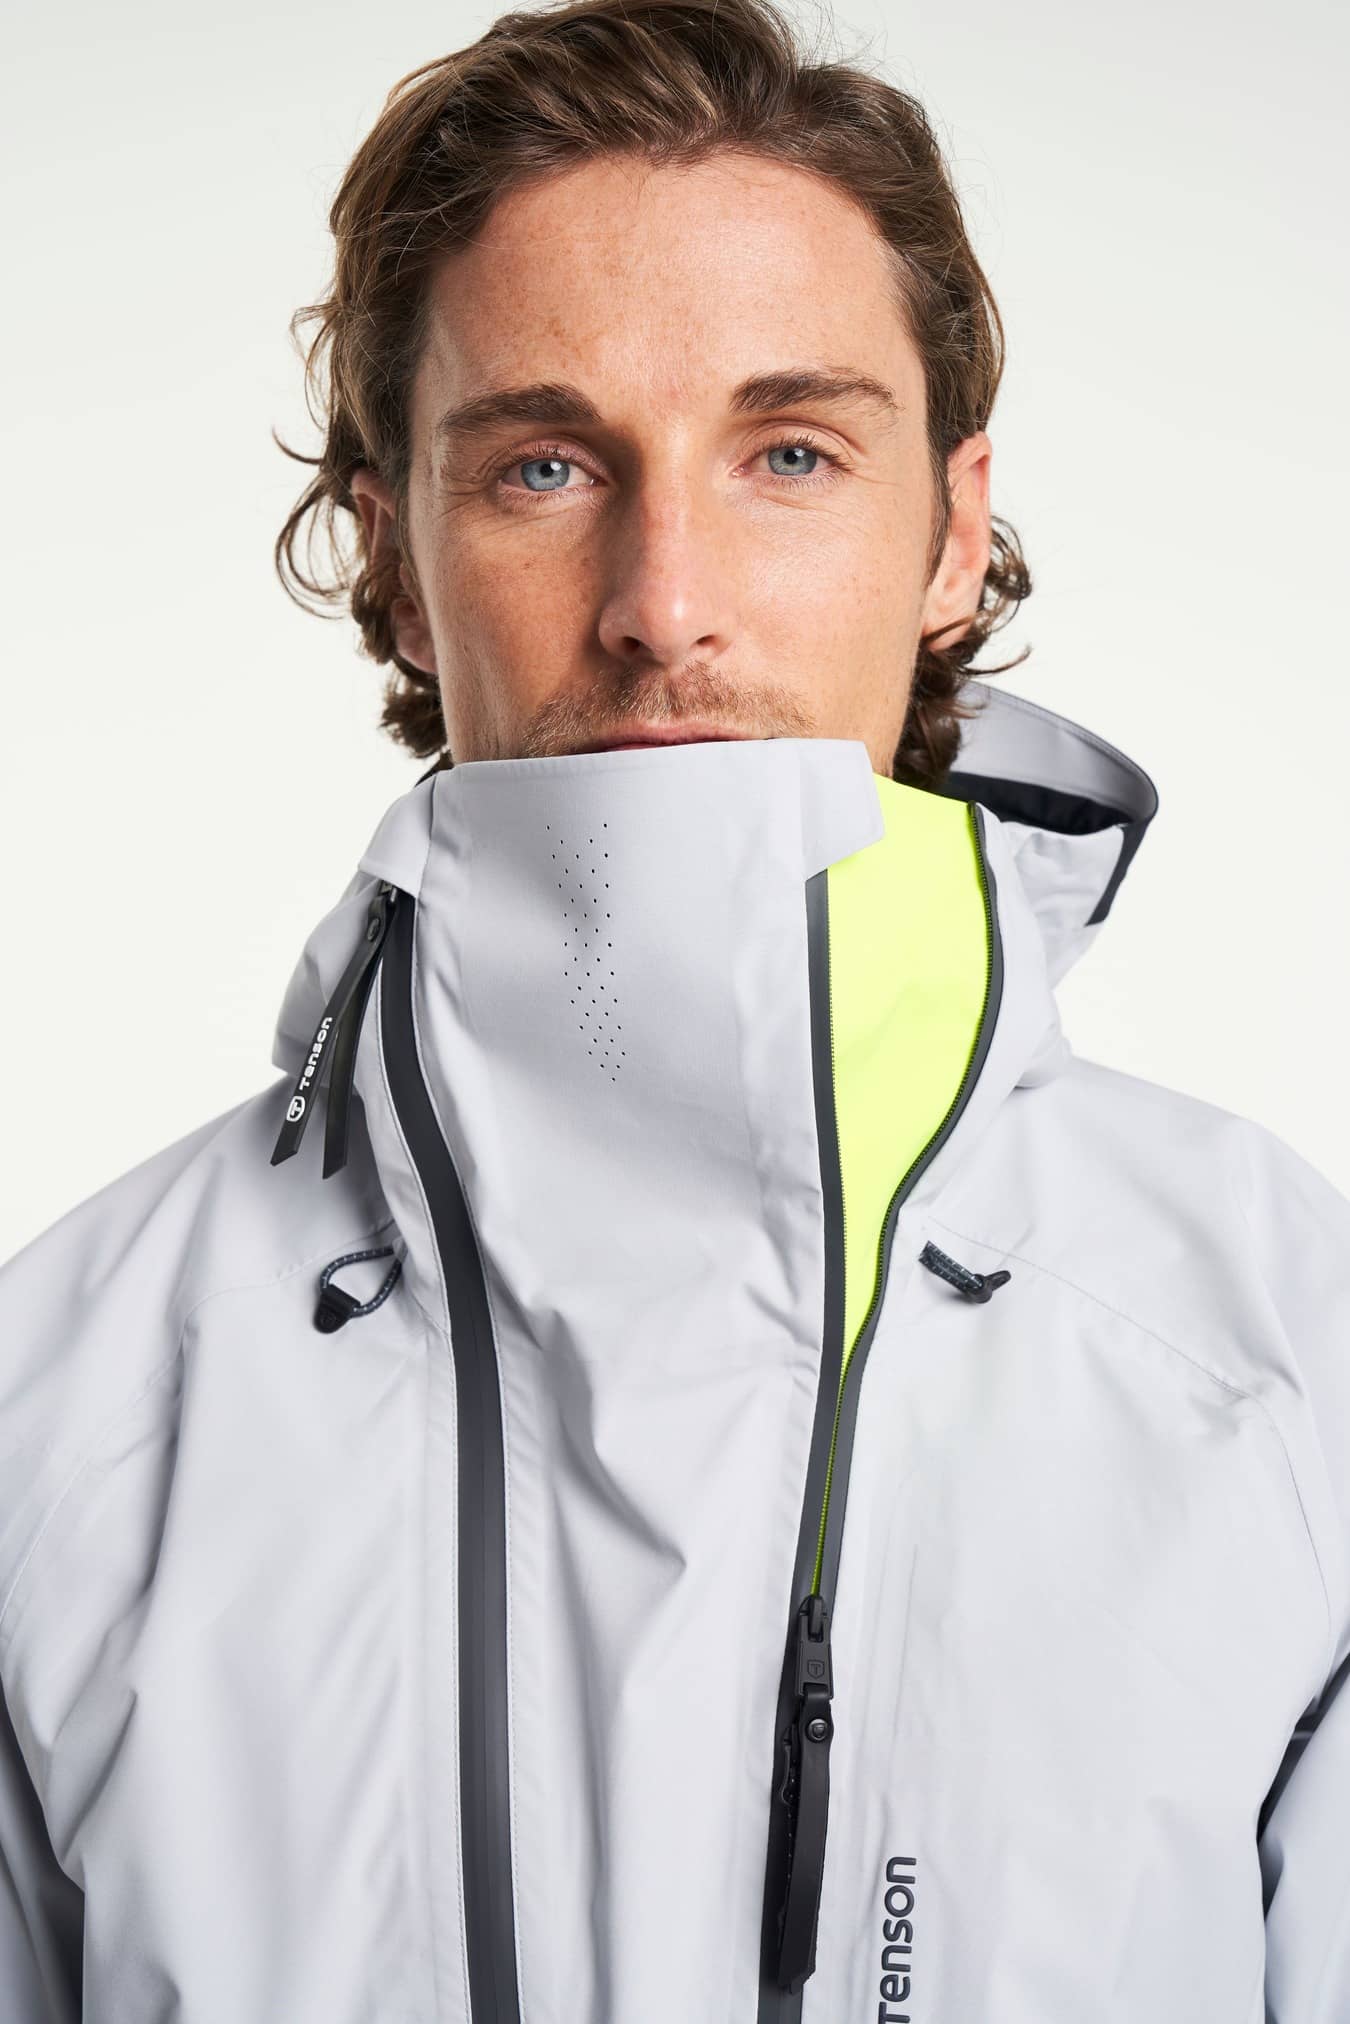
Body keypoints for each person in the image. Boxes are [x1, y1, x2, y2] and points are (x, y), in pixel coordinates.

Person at [2, 0, 1347, 2017]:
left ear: (951, 533)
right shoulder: (61, 1414)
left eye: (788, 452)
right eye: (544, 466)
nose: (663, 602)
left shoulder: (1286, 1356)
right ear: (393, 555)